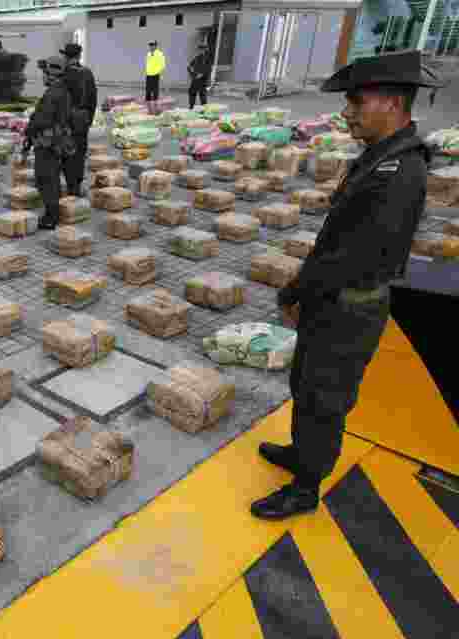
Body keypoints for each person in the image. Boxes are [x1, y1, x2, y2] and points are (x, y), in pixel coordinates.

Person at [251, 50, 440, 520]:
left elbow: (354, 257)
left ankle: (306, 487)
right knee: (307, 383)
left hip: (347, 307)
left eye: (357, 102)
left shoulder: (399, 173)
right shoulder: (381, 158)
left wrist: (297, 290)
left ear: (393, 103)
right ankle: (302, 453)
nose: (347, 112)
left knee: (324, 397)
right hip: (330, 300)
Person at [22, 57, 73, 231]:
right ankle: (53, 210)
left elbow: (42, 120)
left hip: (48, 143)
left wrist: (29, 130)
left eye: (44, 73)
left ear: (51, 74)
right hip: (56, 141)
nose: (42, 76)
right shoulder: (62, 90)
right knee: (52, 177)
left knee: (45, 178)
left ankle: (51, 217)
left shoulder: (53, 93)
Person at [60, 43, 98, 199]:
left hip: (67, 117)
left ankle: (71, 186)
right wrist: (89, 119)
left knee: (67, 151)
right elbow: (93, 99)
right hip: (82, 118)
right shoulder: (87, 72)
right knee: (80, 152)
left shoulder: (63, 73)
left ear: (66, 57)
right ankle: (77, 184)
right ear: (79, 56)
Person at [187, 43, 212, 109]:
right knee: (192, 92)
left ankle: (204, 109)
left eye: (202, 49)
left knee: (202, 94)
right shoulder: (197, 57)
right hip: (195, 79)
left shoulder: (208, 57)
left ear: (205, 49)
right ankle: (191, 107)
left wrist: (202, 74)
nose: (201, 50)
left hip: (203, 79)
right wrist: (192, 74)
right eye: (200, 49)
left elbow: (209, 69)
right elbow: (189, 66)